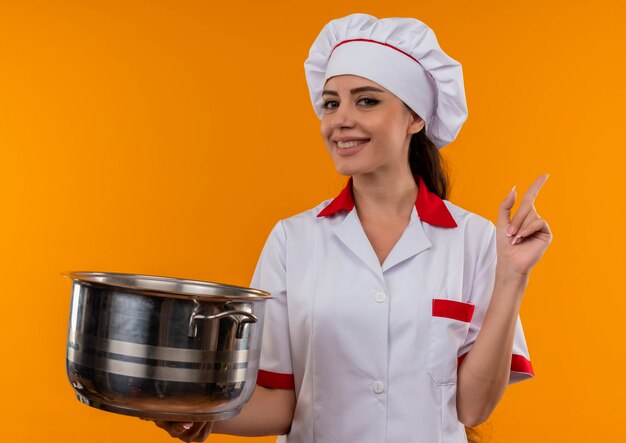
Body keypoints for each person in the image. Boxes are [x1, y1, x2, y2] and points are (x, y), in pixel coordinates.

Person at [151, 13, 552, 442]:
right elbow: (281, 402)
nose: (340, 119)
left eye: (366, 101)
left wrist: (512, 276)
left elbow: (473, 408)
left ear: (415, 118)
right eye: (330, 102)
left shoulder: (475, 241)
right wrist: (199, 414)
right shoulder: (293, 240)